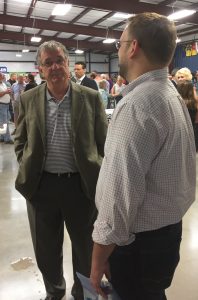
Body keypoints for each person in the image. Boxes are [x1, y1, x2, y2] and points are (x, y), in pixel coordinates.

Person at [90, 12, 196, 300]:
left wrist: (98, 258)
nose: (120, 50)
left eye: (120, 43)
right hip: (166, 234)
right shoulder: (170, 93)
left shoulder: (137, 105)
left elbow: (120, 196)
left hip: (138, 244)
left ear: (133, 47)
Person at [14, 40, 107, 300]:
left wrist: (98, 172)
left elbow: (103, 142)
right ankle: (55, 291)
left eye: (59, 61)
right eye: (48, 63)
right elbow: (20, 138)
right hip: (42, 186)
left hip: (81, 186)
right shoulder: (28, 99)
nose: (54, 67)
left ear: (67, 64)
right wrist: (26, 163)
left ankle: (83, 293)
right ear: (41, 69)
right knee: (46, 249)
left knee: (85, 246)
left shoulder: (90, 98)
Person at [0, 72, 13, 144]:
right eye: (2, 75)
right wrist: (5, 92)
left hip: (6, 105)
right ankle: (7, 139)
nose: (4, 76)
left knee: (3, 122)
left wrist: (8, 92)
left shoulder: (3, 83)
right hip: (1, 105)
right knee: (4, 123)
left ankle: (2, 137)